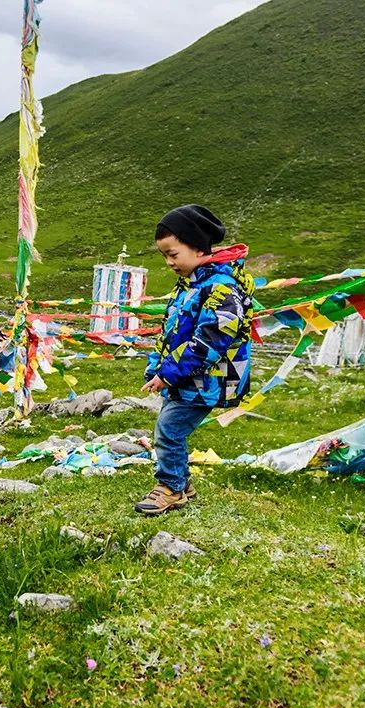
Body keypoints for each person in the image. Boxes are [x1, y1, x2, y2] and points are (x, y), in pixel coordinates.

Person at [135, 204, 255, 515]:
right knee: (170, 427)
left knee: (170, 429)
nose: (168, 262)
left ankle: (171, 488)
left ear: (198, 246)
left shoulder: (221, 288)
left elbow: (210, 341)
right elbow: (171, 333)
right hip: (186, 378)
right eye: (165, 255)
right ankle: (182, 482)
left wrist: (170, 373)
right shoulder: (190, 286)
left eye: (173, 254)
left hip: (207, 378)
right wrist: (158, 367)